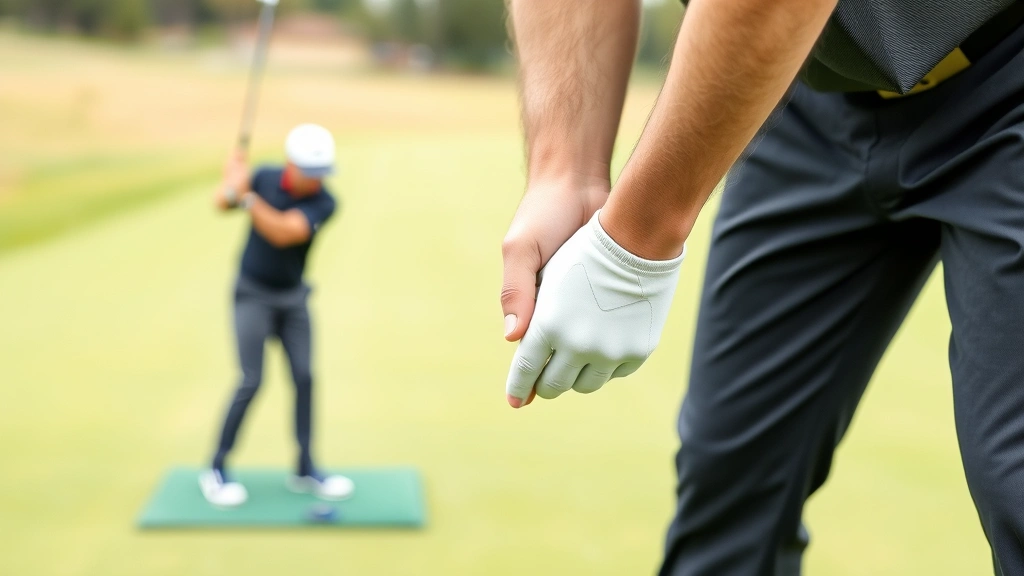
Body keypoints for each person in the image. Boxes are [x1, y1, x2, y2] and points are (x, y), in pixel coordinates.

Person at [500, 0, 1024, 573]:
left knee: (1015, 480)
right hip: (803, 83)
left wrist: (631, 247)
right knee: (727, 492)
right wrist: (565, 169)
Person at [200, 123, 352, 507]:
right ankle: (216, 469)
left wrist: (247, 197)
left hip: (293, 298)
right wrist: (232, 183)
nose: (317, 181)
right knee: (251, 380)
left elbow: (284, 232)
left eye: (322, 174)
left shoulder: (325, 202)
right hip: (252, 294)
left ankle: (304, 468)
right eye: (310, 173)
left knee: (305, 377)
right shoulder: (264, 177)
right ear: (290, 164)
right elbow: (222, 203)